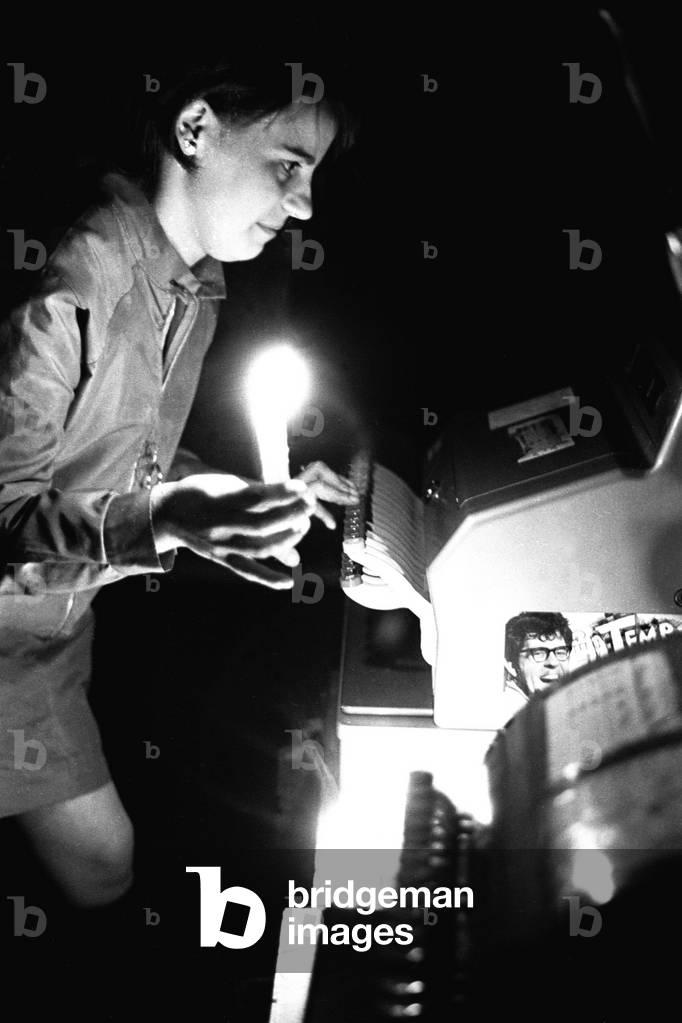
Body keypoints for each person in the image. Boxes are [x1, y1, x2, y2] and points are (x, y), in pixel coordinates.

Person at [0, 62, 358, 908]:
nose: (305, 204)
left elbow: (129, 462)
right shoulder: (70, 283)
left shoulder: (194, 284)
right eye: (287, 164)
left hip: (54, 631)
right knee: (104, 865)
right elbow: (9, 520)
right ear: (195, 129)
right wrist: (169, 519)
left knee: (107, 866)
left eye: (313, 175)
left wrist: (230, 507)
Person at [502, 611, 574, 715]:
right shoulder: (506, 714)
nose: (553, 662)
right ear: (511, 665)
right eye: (538, 653)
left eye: (560, 652)